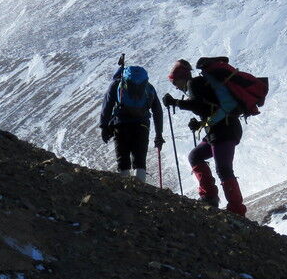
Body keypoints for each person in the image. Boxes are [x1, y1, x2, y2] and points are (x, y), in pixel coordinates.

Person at [162, 59, 246, 217]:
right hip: (224, 129)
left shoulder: (194, 84)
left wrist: (175, 102)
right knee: (196, 156)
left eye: (175, 82)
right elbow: (208, 107)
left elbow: (197, 105)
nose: (176, 87)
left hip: (223, 130)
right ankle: (209, 197)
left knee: (223, 168)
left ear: (181, 77)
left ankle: (236, 209)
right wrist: (200, 123)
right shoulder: (201, 84)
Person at [99, 65, 164, 182]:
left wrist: (104, 126)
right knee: (140, 161)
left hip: (121, 125)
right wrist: (159, 134)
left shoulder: (116, 85)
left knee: (122, 159)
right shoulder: (149, 88)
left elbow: (107, 106)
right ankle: (140, 191)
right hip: (142, 125)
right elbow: (157, 111)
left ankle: (126, 191)